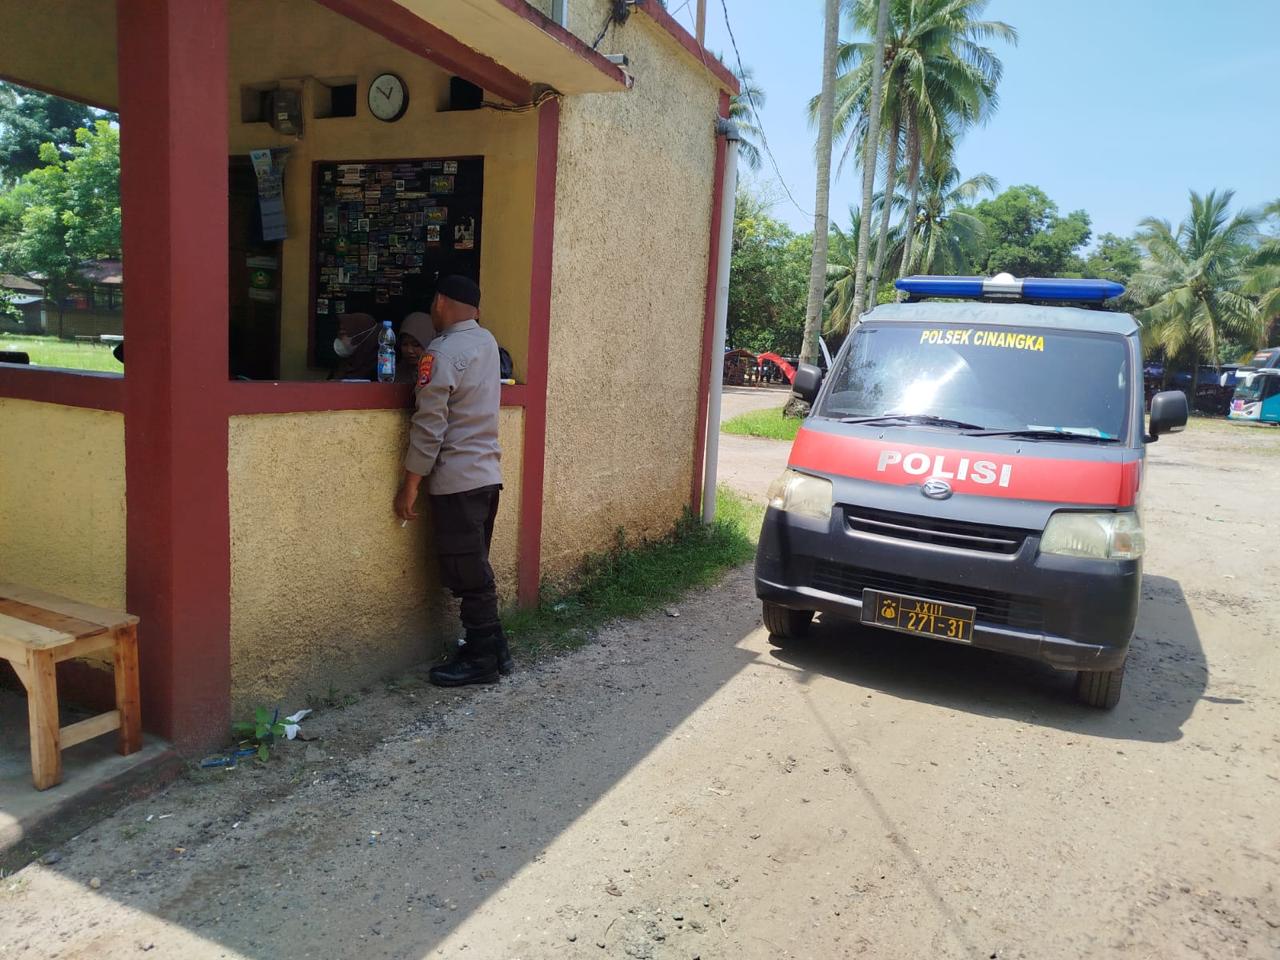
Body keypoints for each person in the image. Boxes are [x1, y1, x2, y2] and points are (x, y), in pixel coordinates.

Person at [393, 275, 512, 686]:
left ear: (440, 302)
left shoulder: (441, 354)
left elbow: (429, 427)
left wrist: (411, 484)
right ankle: (495, 649)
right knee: (475, 567)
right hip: (487, 477)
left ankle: (481, 659)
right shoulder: (487, 343)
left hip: (457, 482)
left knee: (469, 575)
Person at [394, 311, 436, 382]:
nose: (409, 350)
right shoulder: (395, 373)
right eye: (404, 344)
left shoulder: (438, 373)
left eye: (416, 345)